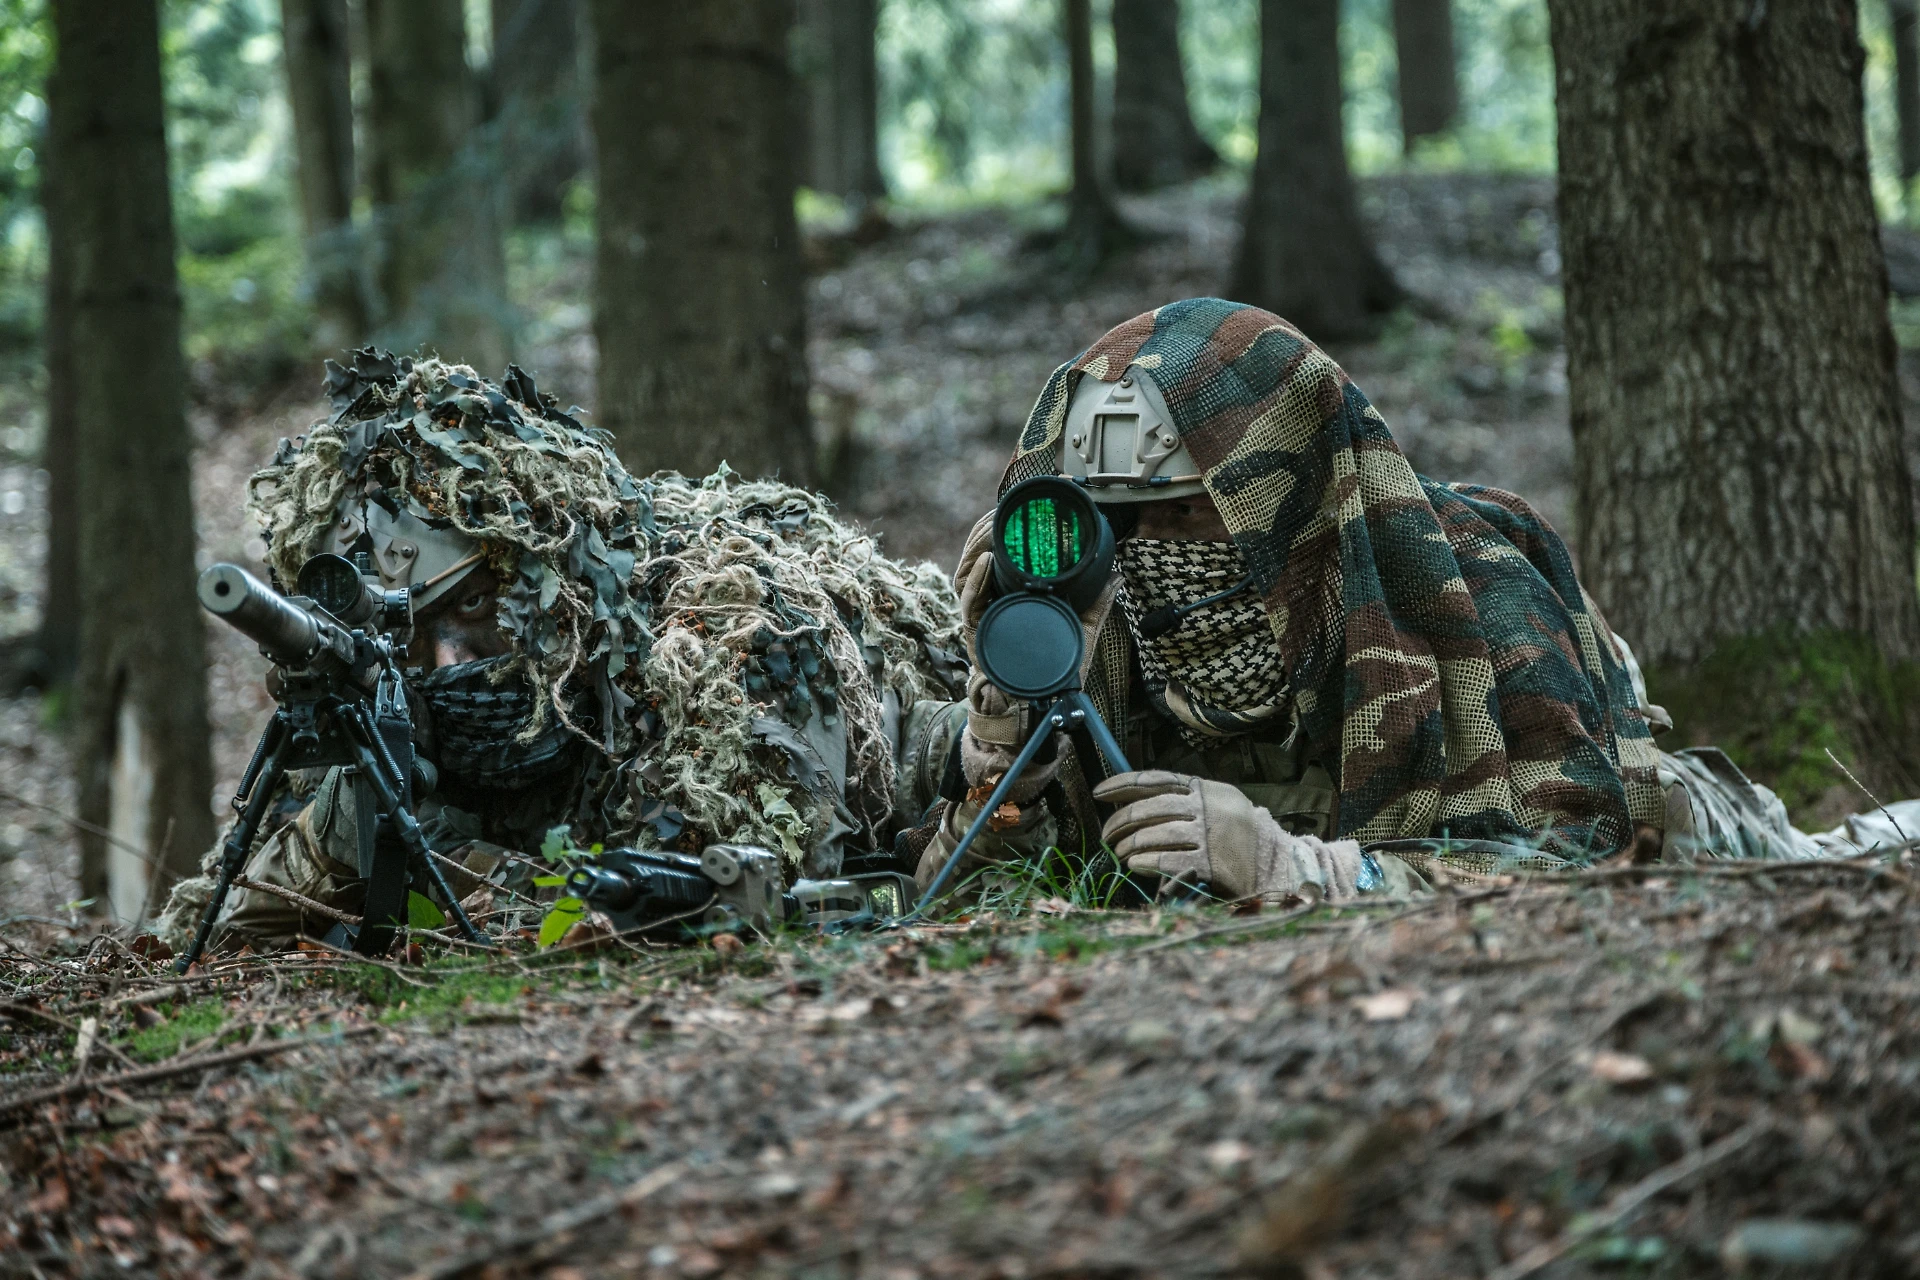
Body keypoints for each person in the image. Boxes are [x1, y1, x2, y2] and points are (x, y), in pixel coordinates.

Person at [911, 299, 1904, 907]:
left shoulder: (1468, 586)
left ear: (1287, 501)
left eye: (1185, 514)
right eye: (1121, 523)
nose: (1148, 553)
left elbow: (1583, 864)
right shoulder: (1114, 633)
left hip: (1700, 834)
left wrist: (1289, 867)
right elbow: (971, 915)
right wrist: (1006, 735)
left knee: (1856, 854)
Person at [156, 350, 968, 953]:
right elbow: (219, 936)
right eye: (407, 637)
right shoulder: (386, 706)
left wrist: (436, 865)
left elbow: (717, 916)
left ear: (557, 579)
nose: (444, 665)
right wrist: (333, 837)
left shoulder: (727, 641)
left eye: (474, 607)